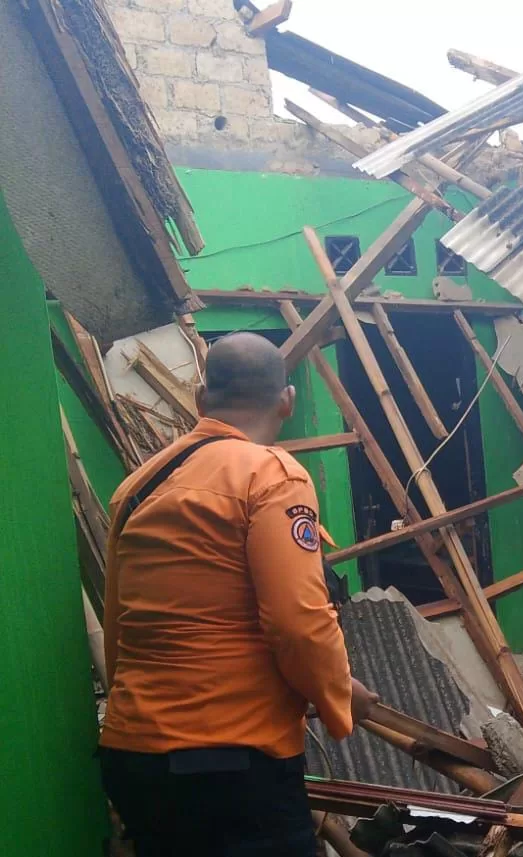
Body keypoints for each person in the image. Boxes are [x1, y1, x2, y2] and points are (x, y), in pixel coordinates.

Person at [99, 332, 377, 856]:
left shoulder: (137, 487)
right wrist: (338, 696)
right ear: (287, 401)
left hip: (134, 755)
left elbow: (118, 629)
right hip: (231, 763)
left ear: (200, 398)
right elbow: (296, 622)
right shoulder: (271, 475)